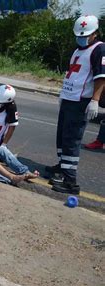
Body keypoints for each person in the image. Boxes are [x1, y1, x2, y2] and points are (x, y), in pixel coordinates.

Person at [46, 15, 105, 194]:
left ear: (94, 33)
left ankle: (70, 182)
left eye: (85, 35)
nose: (81, 37)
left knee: (72, 139)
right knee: (62, 136)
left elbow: (101, 77)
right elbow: (73, 73)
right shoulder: (78, 49)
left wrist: (94, 100)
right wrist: (63, 94)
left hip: (81, 101)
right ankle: (63, 166)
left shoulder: (99, 49)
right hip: (69, 99)